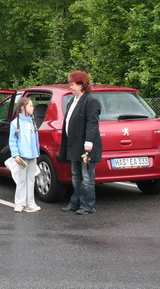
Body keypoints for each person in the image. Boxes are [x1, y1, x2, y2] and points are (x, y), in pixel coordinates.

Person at [59, 71, 102, 215]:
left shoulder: (91, 101)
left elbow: (92, 123)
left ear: (81, 85)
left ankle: (87, 205)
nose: (70, 86)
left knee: (87, 177)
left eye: (72, 84)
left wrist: (89, 142)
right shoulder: (72, 100)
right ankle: (75, 202)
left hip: (86, 146)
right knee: (75, 175)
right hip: (74, 145)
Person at [8, 97, 41, 213]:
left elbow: (36, 139)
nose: (33, 108)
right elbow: (12, 141)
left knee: (31, 179)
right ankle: (19, 203)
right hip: (22, 157)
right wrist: (16, 155)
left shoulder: (32, 121)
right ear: (23, 108)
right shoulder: (15, 123)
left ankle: (30, 202)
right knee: (21, 179)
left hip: (33, 155)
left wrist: (37, 152)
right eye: (30, 106)